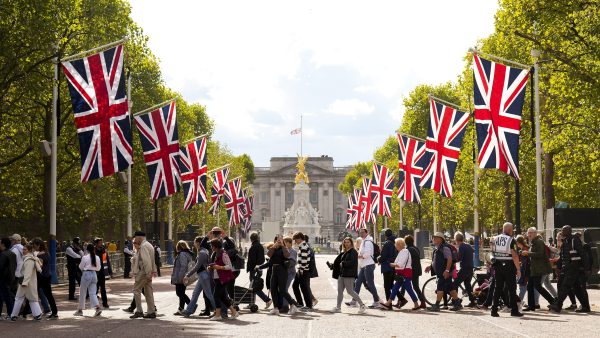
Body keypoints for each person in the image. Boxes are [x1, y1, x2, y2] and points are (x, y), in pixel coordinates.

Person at [549, 226, 590, 313]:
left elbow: (582, 254)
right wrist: (559, 267)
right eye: (562, 230)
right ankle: (586, 307)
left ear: (569, 231)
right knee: (576, 288)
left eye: (564, 230)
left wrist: (587, 268)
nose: (562, 231)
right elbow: (562, 257)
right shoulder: (566, 241)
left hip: (573, 268)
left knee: (565, 286)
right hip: (567, 268)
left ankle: (558, 305)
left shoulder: (574, 240)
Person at [489, 222, 523, 317]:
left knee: (497, 288)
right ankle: (514, 311)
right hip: (509, 267)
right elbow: (515, 256)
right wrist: (518, 269)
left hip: (498, 266)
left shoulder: (494, 239)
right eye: (512, 229)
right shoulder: (511, 240)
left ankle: (494, 310)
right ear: (509, 230)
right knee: (512, 289)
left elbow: (491, 252)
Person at [263, 236, 300, 315]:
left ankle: (293, 305)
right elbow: (269, 255)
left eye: (280, 241)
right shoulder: (274, 249)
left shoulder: (284, 249)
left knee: (282, 290)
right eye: (277, 241)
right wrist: (274, 245)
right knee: (273, 289)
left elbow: (287, 255)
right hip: (274, 270)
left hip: (282, 271)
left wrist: (283, 245)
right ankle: (275, 308)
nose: (278, 242)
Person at [520, 227, 556, 311]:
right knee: (530, 286)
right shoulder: (533, 242)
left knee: (538, 286)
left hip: (539, 269)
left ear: (535, 233)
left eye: (531, 233)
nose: (529, 234)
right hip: (534, 269)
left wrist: (527, 253)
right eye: (528, 233)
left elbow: (540, 254)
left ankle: (552, 301)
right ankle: (531, 306)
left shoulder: (539, 242)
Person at [380, 238, 420, 311]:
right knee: (395, 288)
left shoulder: (404, 252)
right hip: (402, 274)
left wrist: (389, 264)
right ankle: (388, 303)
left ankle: (416, 304)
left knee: (409, 289)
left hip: (405, 274)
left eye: (396, 244)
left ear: (399, 245)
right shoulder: (402, 252)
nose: (395, 246)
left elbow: (399, 264)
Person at [425, 232, 461, 312]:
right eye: (434, 238)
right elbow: (437, 261)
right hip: (442, 272)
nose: (434, 239)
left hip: (444, 272)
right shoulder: (438, 248)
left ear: (441, 239)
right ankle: (457, 303)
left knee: (440, 288)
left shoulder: (444, 248)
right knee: (451, 288)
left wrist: (447, 270)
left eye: (436, 238)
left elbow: (449, 259)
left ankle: (437, 305)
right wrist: (430, 267)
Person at [180, 236, 215, 317]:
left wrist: (187, 275)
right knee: (195, 293)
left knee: (209, 294)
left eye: (195, 242)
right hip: (202, 275)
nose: (194, 243)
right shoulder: (204, 251)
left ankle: (219, 310)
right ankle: (188, 311)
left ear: (199, 243)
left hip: (203, 275)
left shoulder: (202, 252)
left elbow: (197, 266)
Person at [330, 237, 366, 314]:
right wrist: (333, 265)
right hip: (342, 274)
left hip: (349, 274)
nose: (346, 244)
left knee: (350, 291)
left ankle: (362, 305)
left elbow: (352, 263)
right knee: (340, 291)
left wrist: (343, 263)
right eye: (345, 242)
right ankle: (338, 307)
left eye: (348, 242)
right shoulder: (345, 251)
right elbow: (339, 262)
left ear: (351, 243)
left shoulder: (353, 252)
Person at [9, 243, 43, 321]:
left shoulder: (28, 260)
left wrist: (24, 283)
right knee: (32, 299)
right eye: (23, 249)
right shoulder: (32, 259)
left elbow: (27, 273)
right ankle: (37, 314)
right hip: (30, 283)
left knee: (19, 298)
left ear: (29, 250)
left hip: (25, 283)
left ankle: (14, 315)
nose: (23, 251)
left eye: (25, 249)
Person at [347, 228, 380, 308]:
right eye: (360, 232)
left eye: (362, 232)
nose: (361, 234)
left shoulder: (368, 242)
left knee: (370, 283)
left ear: (366, 233)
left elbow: (367, 253)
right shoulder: (364, 241)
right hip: (364, 265)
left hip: (368, 265)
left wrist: (358, 256)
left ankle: (376, 301)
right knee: (358, 283)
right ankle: (354, 301)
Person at [208, 238, 239, 321]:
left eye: (212, 246)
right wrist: (212, 266)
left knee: (216, 295)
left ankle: (218, 315)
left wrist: (219, 267)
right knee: (223, 297)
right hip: (217, 278)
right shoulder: (216, 253)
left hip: (223, 278)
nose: (211, 247)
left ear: (215, 246)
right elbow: (217, 264)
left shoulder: (223, 254)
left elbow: (229, 266)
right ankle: (234, 312)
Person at [131, 231, 157, 319]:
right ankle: (151, 311)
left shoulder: (143, 246)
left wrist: (148, 273)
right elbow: (152, 261)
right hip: (148, 271)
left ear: (139, 237)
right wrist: (152, 271)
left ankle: (139, 311)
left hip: (144, 272)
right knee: (148, 292)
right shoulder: (149, 245)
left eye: (135, 238)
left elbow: (146, 261)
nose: (134, 240)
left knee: (136, 290)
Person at [32, 239, 58, 319]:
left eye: (35, 246)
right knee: (48, 295)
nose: (34, 247)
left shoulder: (40, 255)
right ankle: (54, 312)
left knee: (32, 293)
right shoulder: (47, 253)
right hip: (46, 276)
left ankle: (27, 312)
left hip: (42, 277)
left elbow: (40, 265)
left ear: (38, 245)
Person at [398, 235, 426, 309]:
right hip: (417, 270)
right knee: (415, 286)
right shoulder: (416, 248)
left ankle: (400, 301)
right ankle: (422, 302)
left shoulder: (408, 250)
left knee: (404, 285)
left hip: (411, 270)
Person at [246, 233, 271, 309]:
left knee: (254, 287)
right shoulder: (260, 246)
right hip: (259, 268)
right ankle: (251, 303)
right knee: (253, 287)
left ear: (251, 239)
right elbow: (262, 259)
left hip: (254, 269)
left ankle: (267, 300)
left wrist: (252, 267)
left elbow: (252, 259)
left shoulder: (253, 247)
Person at [453, 232, 475, 307]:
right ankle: (472, 301)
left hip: (465, 269)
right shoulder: (468, 245)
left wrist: (452, 261)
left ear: (456, 240)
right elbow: (473, 252)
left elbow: (459, 258)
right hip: (470, 268)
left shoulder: (461, 246)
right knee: (467, 285)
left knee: (455, 283)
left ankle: (456, 301)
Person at [292, 232, 313, 310]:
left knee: (304, 288)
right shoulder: (302, 246)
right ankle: (300, 303)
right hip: (302, 269)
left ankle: (308, 305)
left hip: (303, 270)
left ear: (300, 239)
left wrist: (301, 270)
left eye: (296, 240)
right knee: (296, 286)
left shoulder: (303, 247)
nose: (295, 242)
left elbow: (304, 260)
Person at [171, 240, 193, 315]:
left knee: (179, 293)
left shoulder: (182, 254)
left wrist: (180, 277)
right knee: (182, 293)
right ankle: (181, 308)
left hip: (181, 276)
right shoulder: (187, 253)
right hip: (184, 276)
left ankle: (191, 305)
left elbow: (183, 266)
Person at [516, 235, 535, 307]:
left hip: (525, 271)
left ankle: (519, 302)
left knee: (523, 287)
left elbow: (526, 261)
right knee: (523, 287)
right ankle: (520, 301)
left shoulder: (525, 249)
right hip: (525, 270)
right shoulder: (525, 248)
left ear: (518, 242)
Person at [379, 229, 397, 304]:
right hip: (393, 265)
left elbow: (383, 255)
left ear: (385, 235)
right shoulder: (394, 242)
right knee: (391, 285)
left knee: (387, 286)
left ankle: (389, 304)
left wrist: (379, 259)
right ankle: (402, 299)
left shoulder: (387, 243)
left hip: (387, 266)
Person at [0, 238, 16, 317]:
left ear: (3, 244)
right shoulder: (12, 253)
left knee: (5, 297)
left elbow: (1, 267)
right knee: (7, 296)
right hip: (11, 277)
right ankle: (11, 313)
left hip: (3, 278)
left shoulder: (3, 254)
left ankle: (11, 314)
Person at [94, 238, 112, 309]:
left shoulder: (104, 251)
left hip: (102, 273)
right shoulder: (93, 251)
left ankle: (105, 303)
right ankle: (96, 305)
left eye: (101, 242)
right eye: (100, 243)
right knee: (95, 289)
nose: (101, 244)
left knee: (103, 289)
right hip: (95, 272)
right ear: (96, 243)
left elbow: (107, 261)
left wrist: (110, 272)